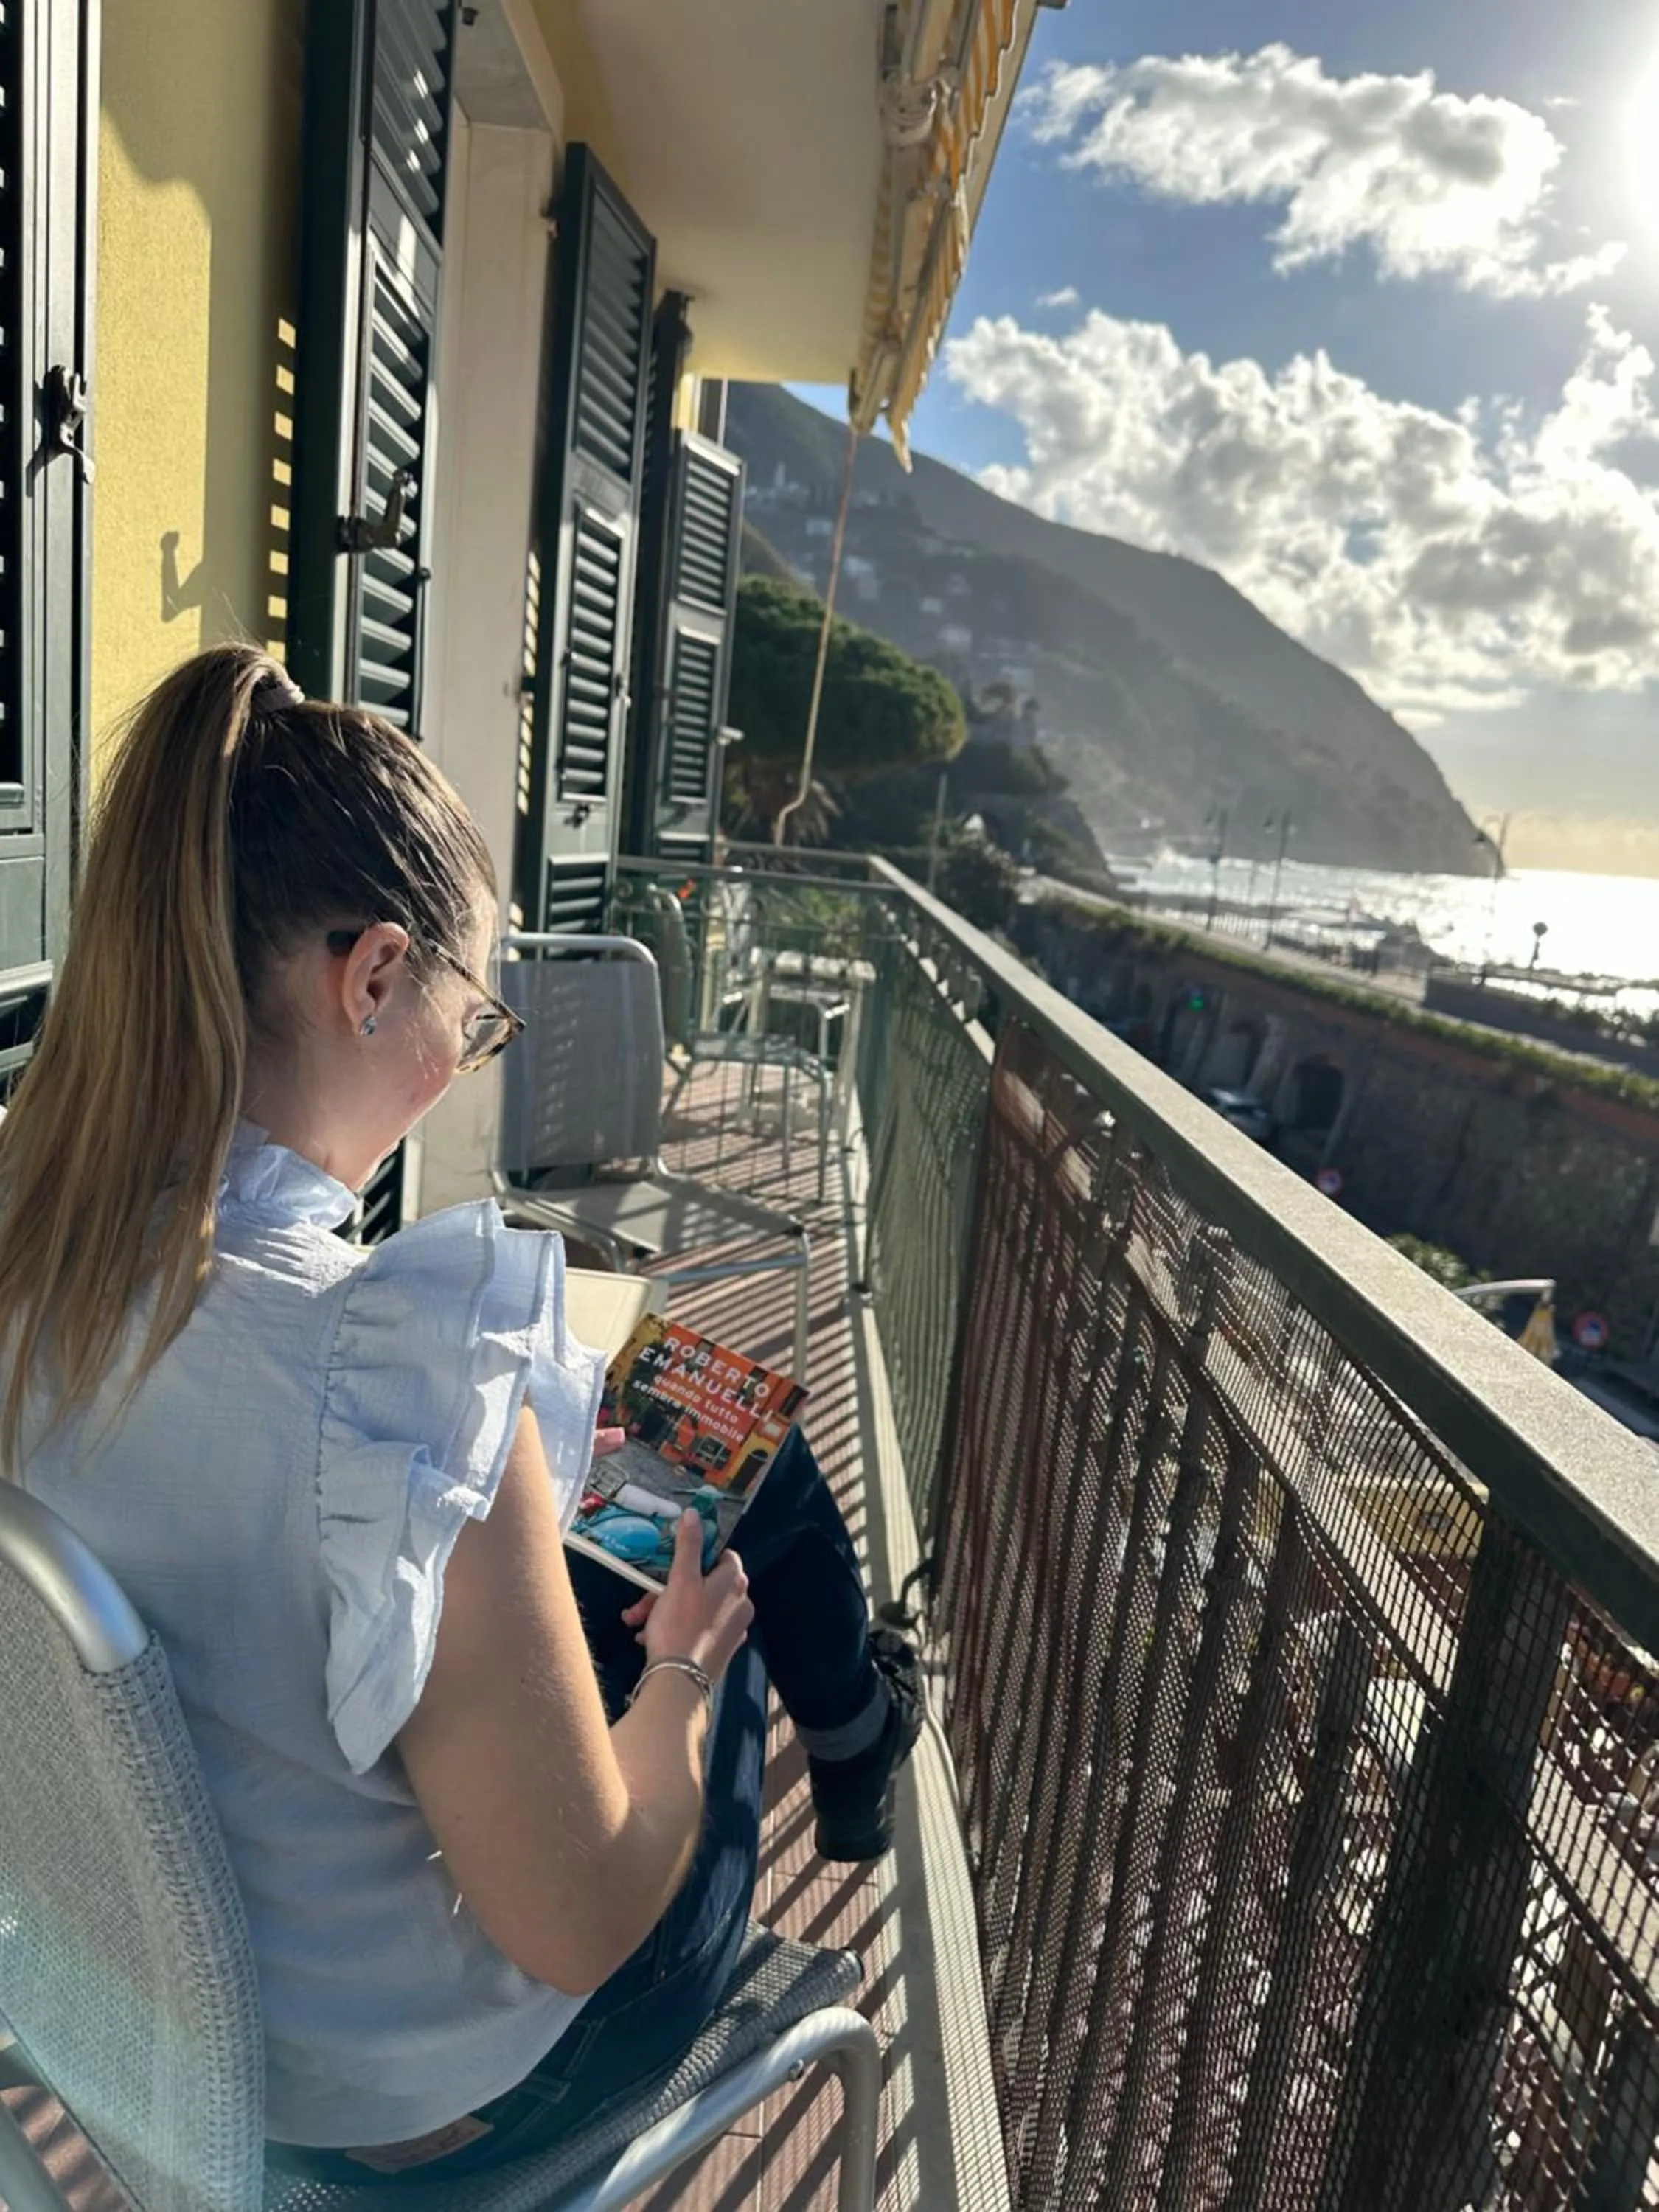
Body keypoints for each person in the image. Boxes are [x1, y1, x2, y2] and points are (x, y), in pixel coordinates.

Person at [0, 644, 921, 2180]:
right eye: (473, 1014)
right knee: (718, 1492)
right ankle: (851, 1723)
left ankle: (850, 1714)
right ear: (370, 976)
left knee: (639, 1443)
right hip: (422, 2103)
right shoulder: (393, 1380)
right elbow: (583, 1917)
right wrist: (685, 1674)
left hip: (148, 2023)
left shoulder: (39, 1262)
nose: (465, 1059)